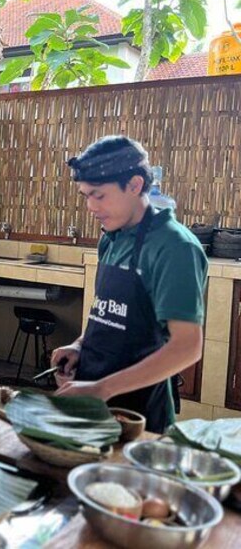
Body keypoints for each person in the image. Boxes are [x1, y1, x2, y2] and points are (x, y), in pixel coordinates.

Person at [52, 136, 208, 433]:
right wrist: (79, 346)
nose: (90, 206)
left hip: (141, 414)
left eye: (99, 195)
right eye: (85, 195)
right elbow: (108, 313)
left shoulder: (174, 247)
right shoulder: (111, 238)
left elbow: (187, 347)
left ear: (135, 185)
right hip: (92, 398)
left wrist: (101, 389)